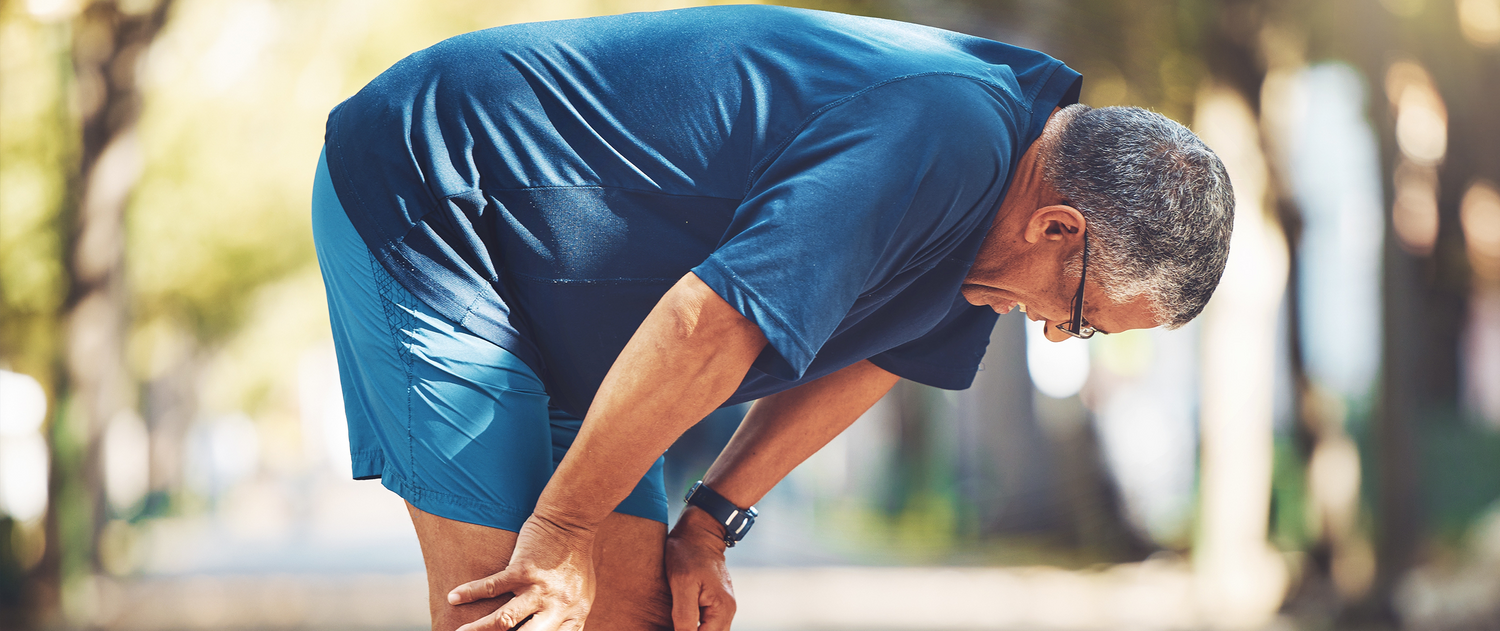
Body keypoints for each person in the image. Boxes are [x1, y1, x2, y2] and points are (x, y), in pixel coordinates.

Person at [310, 5, 1233, 631]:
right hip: (437, 190)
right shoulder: (948, 134)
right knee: (517, 606)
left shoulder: (997, 232)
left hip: (582, 309)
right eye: (1085, 315)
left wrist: (708, 522)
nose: (1062, 335)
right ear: (1058, 226)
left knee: (628, 616)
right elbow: (704, 330)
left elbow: (879, 359)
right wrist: (559, 533)